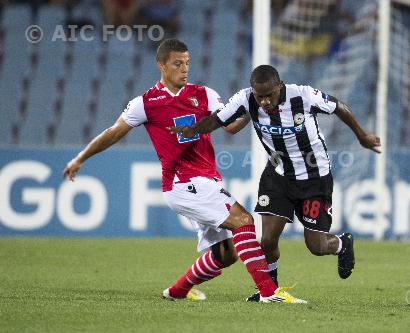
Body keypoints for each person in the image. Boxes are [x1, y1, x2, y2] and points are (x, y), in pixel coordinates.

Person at [62, 39, 305, 304]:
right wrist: (80, 158)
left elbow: (231, 127)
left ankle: (177, 291)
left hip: (206, 180)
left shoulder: (204, 94)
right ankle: (270, 293)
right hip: (182, 182)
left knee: (227, 253)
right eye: (178, 63)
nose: (184, 69)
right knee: (244, 221)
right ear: (161, 65)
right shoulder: (146, 103)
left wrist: (251, 107)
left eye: (187, 63)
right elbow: (113, 133)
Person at [169, 64, 381, 302]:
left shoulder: (303, 95)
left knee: (317, 246)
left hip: (314, 179)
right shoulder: (245, 99)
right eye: (260, 97)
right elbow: (217, 120)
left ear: (279, 86)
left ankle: (342, 244)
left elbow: (339, 107)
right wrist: (192, 130)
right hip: (278, 176)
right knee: (267, 240)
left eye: (270, 95)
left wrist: (362, 136)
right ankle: (269, 291)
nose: (265, 102)